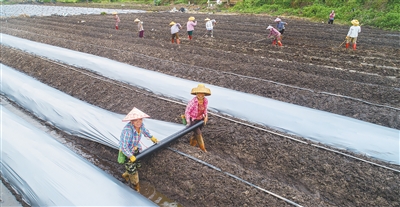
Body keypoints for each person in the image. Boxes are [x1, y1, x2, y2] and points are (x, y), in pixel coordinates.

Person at [119, 107, 159, 192]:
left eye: (140, 120)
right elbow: (123, 146)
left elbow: (145, 131)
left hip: (136, 148)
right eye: (136, 120)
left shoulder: (141, 126)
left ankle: (126, 174)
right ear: (131, 121)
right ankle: (136, 188)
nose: (139, 122)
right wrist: (130, 156)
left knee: (138, 165)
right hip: (127, 152)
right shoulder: (127, 131)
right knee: (133, 172)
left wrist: (152, 138)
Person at [185, 84, 211, 152]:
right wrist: (188, 121)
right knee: (198, 133)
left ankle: (192, 145)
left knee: (196, 133)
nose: (200, 95)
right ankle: (203, 149)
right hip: (193, 120)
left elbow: (205, 110)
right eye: (198, 93)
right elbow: (187, 112)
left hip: (200, 119)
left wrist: (206, 116)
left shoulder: (205, 101)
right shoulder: (193, 102)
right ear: (196, 94)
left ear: (204, 94)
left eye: (202, 94)